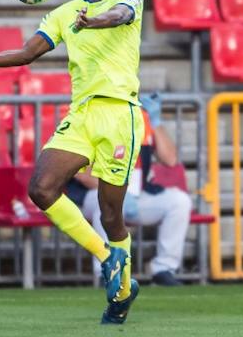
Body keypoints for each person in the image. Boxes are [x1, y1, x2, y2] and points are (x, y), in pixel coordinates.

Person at [0, 0, 146, 324]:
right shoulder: (65, 13)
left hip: (121, 114)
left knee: (110, 213)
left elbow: (122, 16)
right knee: (41, 187)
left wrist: (96, 22)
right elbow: (27, 52)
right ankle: (108, 258)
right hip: (84, 113)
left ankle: (121, 296)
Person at [76, 93, 193, 286]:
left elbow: (170, 159)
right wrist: (114, 191)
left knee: (179, 202)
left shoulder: (141, 119)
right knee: (104, 203)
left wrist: (155, 122)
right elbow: (80, 172)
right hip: (96, 193)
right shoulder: (93, 117)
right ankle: (107, 271)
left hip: (137, 195)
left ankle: (163, 268)